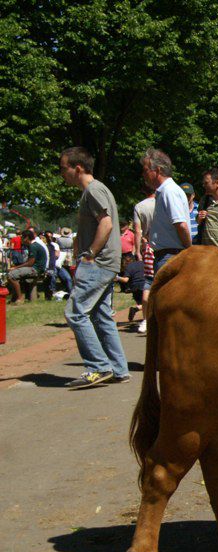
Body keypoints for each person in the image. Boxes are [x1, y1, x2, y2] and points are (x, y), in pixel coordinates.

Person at [58, 146, 130, 388]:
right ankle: (119, 369)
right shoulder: (96, 190)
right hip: (106, 263)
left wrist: (89, 255)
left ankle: (98, 367)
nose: (62, 173)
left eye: (63, 168)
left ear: (77, 168)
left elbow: (107, 224)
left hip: (98, 263)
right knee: (101, 317)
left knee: (75, 313)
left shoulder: (93, 191)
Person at [141, 147, 190, 276]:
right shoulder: (164, 191)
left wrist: (189, 250)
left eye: (145, 170)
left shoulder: (169, 191)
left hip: (170, 257)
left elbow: (181, 225)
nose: (143, 174)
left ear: (157, 170)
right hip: (167, 256)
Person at [6, 229, 48, 305]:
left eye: (22, 237)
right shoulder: (34, 245)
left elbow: (30, 263)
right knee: (14, 274)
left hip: (35, 269)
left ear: (27, 238)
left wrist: (15, 268)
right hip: (37, 268)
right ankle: (14, 298)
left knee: (11, 275)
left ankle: (20, 298)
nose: (21, 239)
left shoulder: (33, 246)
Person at [131, 187, 155, 260]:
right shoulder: (162, 203)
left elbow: (137, 231)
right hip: (163, 245)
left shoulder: (139, 207)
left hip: (148, 246)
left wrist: (137, 251)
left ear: (144, 191)